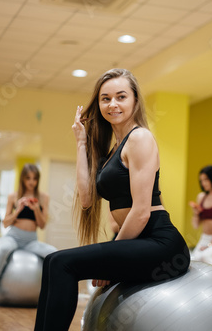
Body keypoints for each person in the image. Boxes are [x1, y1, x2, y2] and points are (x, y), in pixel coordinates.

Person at [34, 68, 190, 331]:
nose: (112, 104)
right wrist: (81, 143)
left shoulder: (140, 138)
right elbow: (86, 199)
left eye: (121, 97)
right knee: (52, 262)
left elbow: (141, 213)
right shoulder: (113, 150)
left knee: (62, 263)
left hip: (159, 242)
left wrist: (110, 260)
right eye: (105, 99)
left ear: (135, 101)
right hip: (136, 241)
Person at [0, 163, 57, 308]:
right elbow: (5, 223)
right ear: (23, 179)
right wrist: (18, 209)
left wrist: (36, 209)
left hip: (31, 240)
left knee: (53, 253)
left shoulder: (43, 197)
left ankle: (53, 295)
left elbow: (42, 225)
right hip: (13, 237)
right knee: (3, 249)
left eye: (35, 178)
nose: (31, 182)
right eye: (28, 178)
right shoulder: (13, 196)